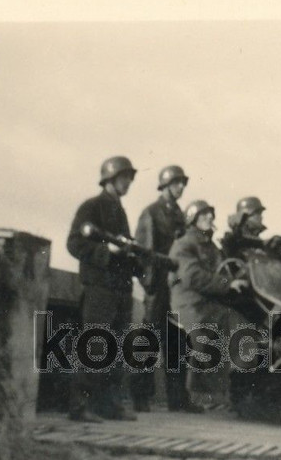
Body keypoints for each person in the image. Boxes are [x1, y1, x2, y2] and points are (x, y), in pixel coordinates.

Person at [65, 155, 141, 423]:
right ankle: (80, 405)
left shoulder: (119, 210)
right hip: (100, 287)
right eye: (123, 178)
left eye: (130, 178)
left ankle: (108, 405)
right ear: (110, 178)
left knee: (117, 348)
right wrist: (106, 250)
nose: (128, 182)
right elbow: (74, 244)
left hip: (120, 289)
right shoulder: (92, 206)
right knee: (96, 344)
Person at [168, 200, 247, 411]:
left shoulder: (211, 246)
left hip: (209, 300)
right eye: (204, 215)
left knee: (239, 325)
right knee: (207, 333)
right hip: (190, 301)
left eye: (211, 214)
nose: (210, 217)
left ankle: (224, 392)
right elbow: (193, 276)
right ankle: (200, 394)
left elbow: (223, 269)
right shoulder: (184, 244)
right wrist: (228, 284)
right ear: (193, 220)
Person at [131, 164, 196, 413]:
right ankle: (140, 396)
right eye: (177, 183)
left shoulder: (181, 216)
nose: (181, 187)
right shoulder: (151, 212)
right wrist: (150, 285)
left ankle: (178, 398)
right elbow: (142, 253)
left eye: (183, 183)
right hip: (158, 286)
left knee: (178, 341)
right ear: (165, 185)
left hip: (176, 288)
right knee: (149, 339)